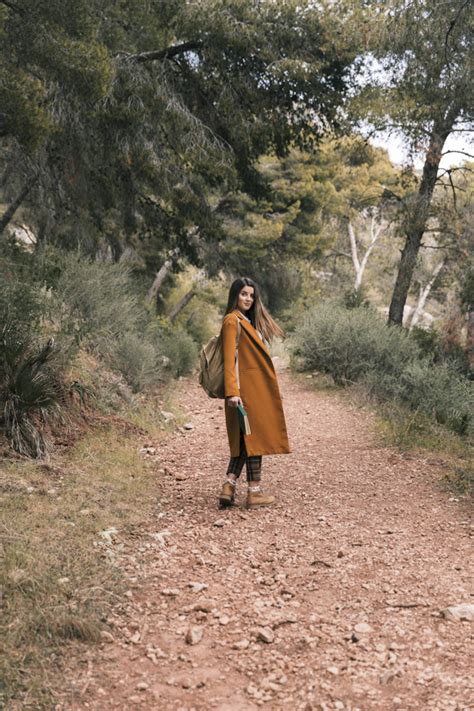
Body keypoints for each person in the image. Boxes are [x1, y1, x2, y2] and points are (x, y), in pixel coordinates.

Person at [218, 277, 291, 510]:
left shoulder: (246, 322)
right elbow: (229, 359)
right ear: (234, 296)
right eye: (243, 294)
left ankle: (229, 486)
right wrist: (232, 392)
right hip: (245, 393)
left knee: (246, 439)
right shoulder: (232, 321)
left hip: (254, 391)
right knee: (254, 439)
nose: (248, 298)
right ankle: (254, 492)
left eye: (251, 295)